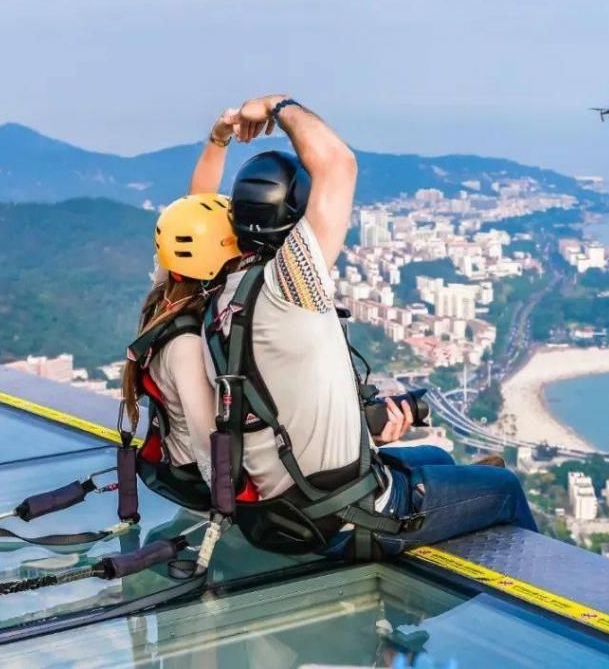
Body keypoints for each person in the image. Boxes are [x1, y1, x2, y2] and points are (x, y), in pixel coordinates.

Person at [190, 94, 536, 559]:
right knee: (505, 487)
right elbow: (338, 162)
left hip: (271, 511)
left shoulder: (216, 287)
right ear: (296, 216)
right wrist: (275, 106)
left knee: (439, 459)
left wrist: (219, 138)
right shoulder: (290, 282)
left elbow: (194, 208)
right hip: (333, 514)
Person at [119, 109, 240, 487]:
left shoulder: (165, 293)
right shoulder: (187, 345)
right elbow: (209, 451)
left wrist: (218, 138)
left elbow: (194, 214)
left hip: (177, 458)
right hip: (195, 481)